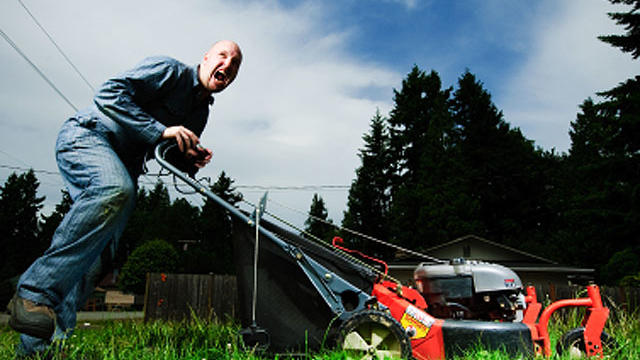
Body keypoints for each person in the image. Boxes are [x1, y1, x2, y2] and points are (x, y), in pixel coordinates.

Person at [6, 40, 243, 357]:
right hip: (89, 137)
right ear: (205, 59)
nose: (228, 65)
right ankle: (32, 292)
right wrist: (161, 130)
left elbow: (167, 152)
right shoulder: (168, 70)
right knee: (113, 190)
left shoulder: (200, 113)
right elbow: (109, 93)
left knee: (96, 259)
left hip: (124, 166)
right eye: (223, 56)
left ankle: (41, 346)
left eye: (236, 63)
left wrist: (189, 159)